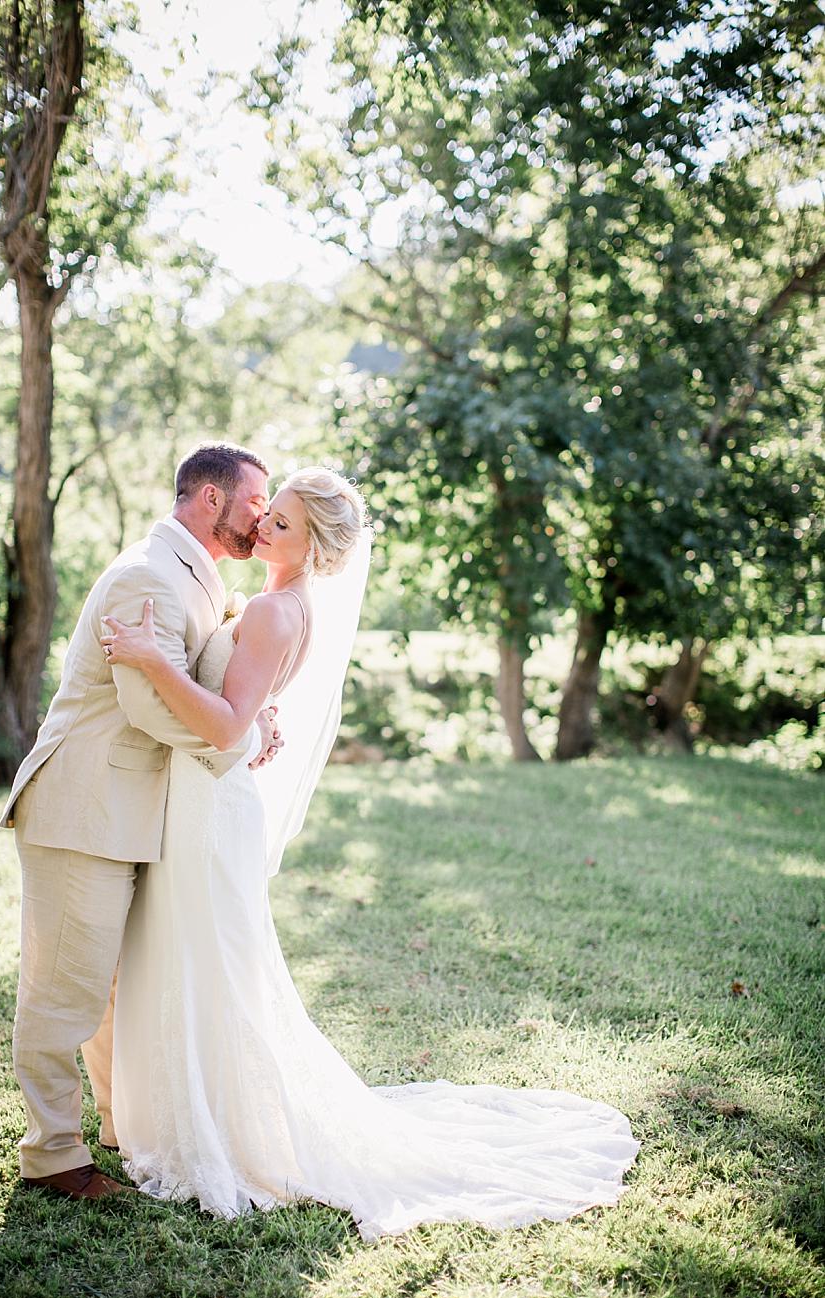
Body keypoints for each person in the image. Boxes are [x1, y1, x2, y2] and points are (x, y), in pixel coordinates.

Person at [100, 463, 640, 1240]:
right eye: (266, 514)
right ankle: (196, 1108)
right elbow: (245, 712)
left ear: (314, 546)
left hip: (212, 806)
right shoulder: (274, 604)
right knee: (203, 957)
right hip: (205, 799)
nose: (261, 528)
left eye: (280, 523)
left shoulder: (277, 613)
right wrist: (255, 716)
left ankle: (222, 1127)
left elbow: (223, 726)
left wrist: (151, 659)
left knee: (215, 961)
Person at [0, 442, 281, 1198]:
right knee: (64, 993)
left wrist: (257, 706)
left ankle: (127, 1133)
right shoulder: (145, 576)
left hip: (137, 812)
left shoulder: (197, 574)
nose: (266, 516)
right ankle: (54, 1157)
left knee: (118, 988)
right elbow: (148, 703)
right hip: (82, 806)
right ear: (212, 500)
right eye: (258, 501)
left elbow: (203, 674)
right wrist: (239, 736)